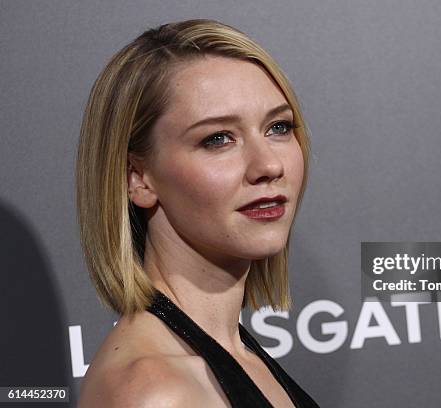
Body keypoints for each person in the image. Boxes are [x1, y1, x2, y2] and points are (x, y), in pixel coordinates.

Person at [75, 19, 319, 407]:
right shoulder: (156, 392)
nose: (269, 166)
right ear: (138, 177)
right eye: (218, 138)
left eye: (278, 127)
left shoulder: (237, 354)